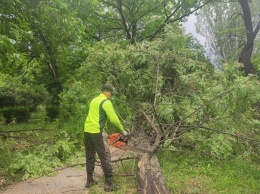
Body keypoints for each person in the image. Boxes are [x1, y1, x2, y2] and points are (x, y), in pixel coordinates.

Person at [84, 83, 128, 192]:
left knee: (90, 156)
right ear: (105, 91)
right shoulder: (106, 102)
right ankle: (108, 184)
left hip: (87, 132)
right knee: (104, 156)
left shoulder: (94, 100)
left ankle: (89, 181)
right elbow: (114, 119)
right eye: (111, 93)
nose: (111, 95)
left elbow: (95, 117)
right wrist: (123, 131)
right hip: (96, 133)